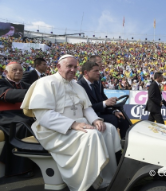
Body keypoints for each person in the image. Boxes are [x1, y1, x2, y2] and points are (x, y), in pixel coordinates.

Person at [21, 55, 122, 191]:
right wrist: (73, 124)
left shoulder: (77, 86)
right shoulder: (46, 83)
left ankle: (107, 179)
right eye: (69, 66)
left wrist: (96, 120)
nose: (73, 69)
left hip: (77, 125)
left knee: (108, 129)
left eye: (75, 67)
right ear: (58, 66)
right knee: (91, 135)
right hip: (53, 130)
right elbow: (44, 115)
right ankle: (86, 182)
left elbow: (87, 108)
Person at [78, 61, 129, 139]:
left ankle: (123, 144)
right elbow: (86, 107)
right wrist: (105, 103)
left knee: (122, 119)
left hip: (99, 113)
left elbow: (102, 101)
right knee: (113, 119)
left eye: (99, 70)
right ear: (86, 72)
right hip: (88, 117)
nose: (99, 73)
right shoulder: (80, 86)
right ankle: (110, 146)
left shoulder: (95, 84)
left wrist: (113, 111)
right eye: (96, 71)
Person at [0, 61, 35, 177]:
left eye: (20, 70)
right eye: (14, 70)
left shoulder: (26, 85)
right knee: (23, 124)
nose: (18, 72)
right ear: (6, 72)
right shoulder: (1, 82)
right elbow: (8, 94)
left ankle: (36, 161)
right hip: (6, 117)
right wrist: (35, 92)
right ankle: (20, 169)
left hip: (24, 115)